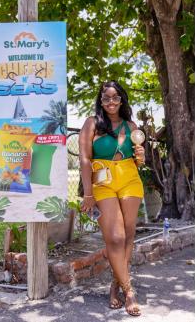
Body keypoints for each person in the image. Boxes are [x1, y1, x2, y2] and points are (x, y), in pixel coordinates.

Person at [79, 80, 145, 317]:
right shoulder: (92, 124)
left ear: (122, 99)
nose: (111, 102)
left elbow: (138, 162)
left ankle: (116, 284)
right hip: (103, 181)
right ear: (100, 100)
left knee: (128, 235)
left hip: (129, 178)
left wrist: (141, 156)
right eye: (106, 98)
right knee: (115, 237)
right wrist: (88, 194)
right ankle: (129, 290)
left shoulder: (130, 125)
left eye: (115, 97)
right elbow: (85, 160)